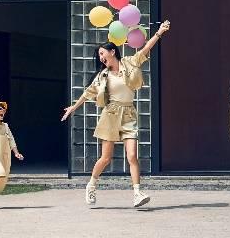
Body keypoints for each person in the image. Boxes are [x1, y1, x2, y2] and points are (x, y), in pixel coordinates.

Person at [62, 20, 171, 207]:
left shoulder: (129, 62)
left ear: (112, 51)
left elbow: (145, 49)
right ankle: (91, 185)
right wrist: (73, 107)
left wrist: (159, 32)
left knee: (132, 156)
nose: (101, 57)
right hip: (111, 114)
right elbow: (88, 93)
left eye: (102, 53)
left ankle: (137, 193)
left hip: (128, 113)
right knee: (106, 158)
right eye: (99, 55)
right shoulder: (102, 76)